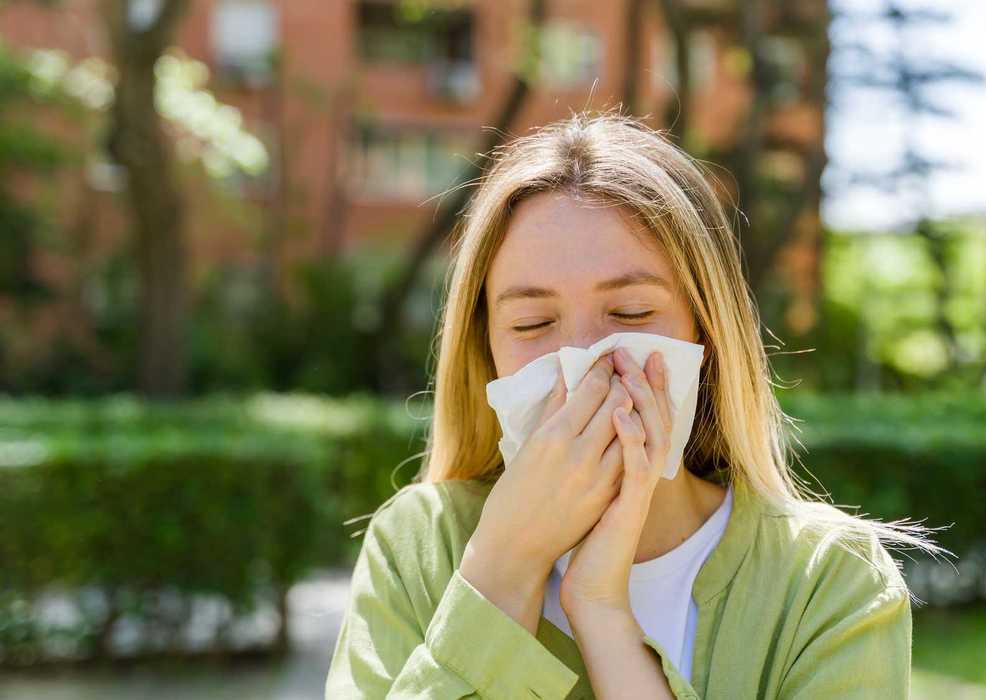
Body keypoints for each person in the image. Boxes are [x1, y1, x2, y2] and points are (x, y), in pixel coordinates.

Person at [324, 111, 941, 699]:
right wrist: (502, 570)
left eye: (631, 315)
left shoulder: (827, 583)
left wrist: (603, 614)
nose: (583, 362)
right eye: (533, 322)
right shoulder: (420, 544)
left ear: (704, 332)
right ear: (485, 351)